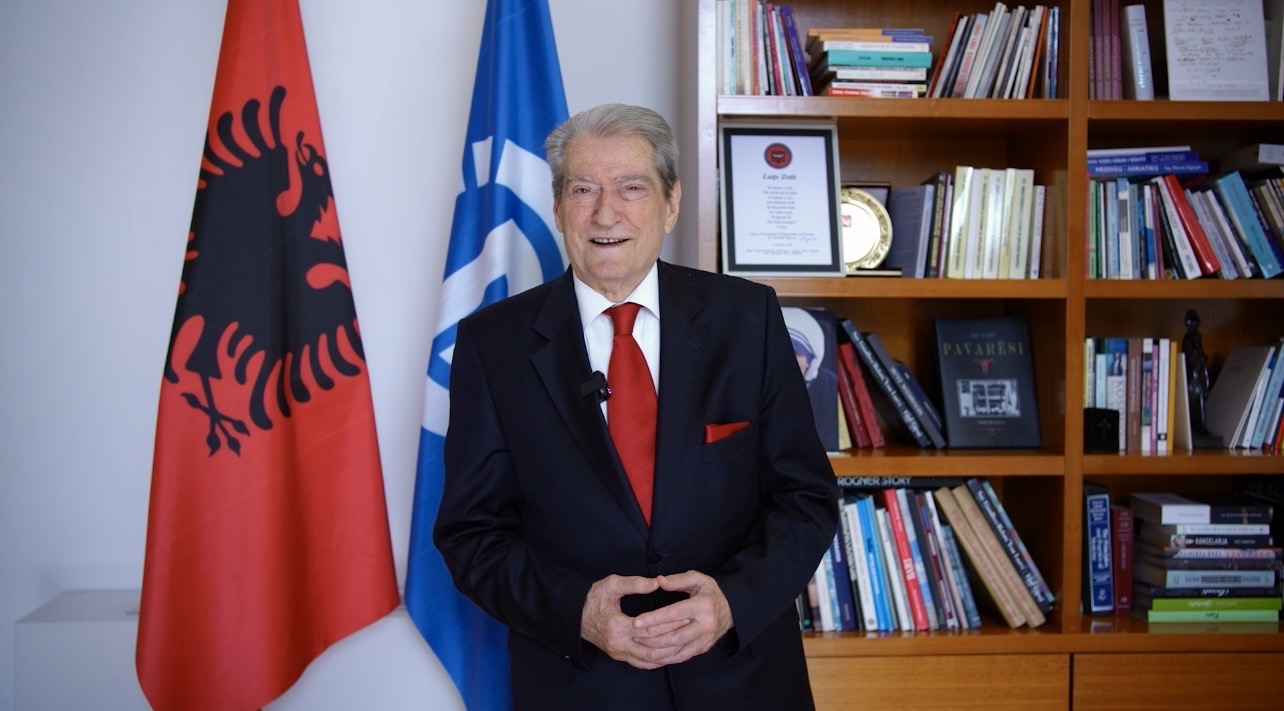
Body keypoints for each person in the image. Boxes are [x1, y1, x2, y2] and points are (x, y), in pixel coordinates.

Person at [434, 103, 839, 710]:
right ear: (557, 207)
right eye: (582, 190)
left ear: (670, 204)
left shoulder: (748, 318)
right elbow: (472, 534)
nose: (606, 213)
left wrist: (732, 600)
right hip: (581, 687)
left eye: (632, 188)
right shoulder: (492, 345)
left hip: (743, 681)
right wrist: (578, 611)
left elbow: (806, 496)